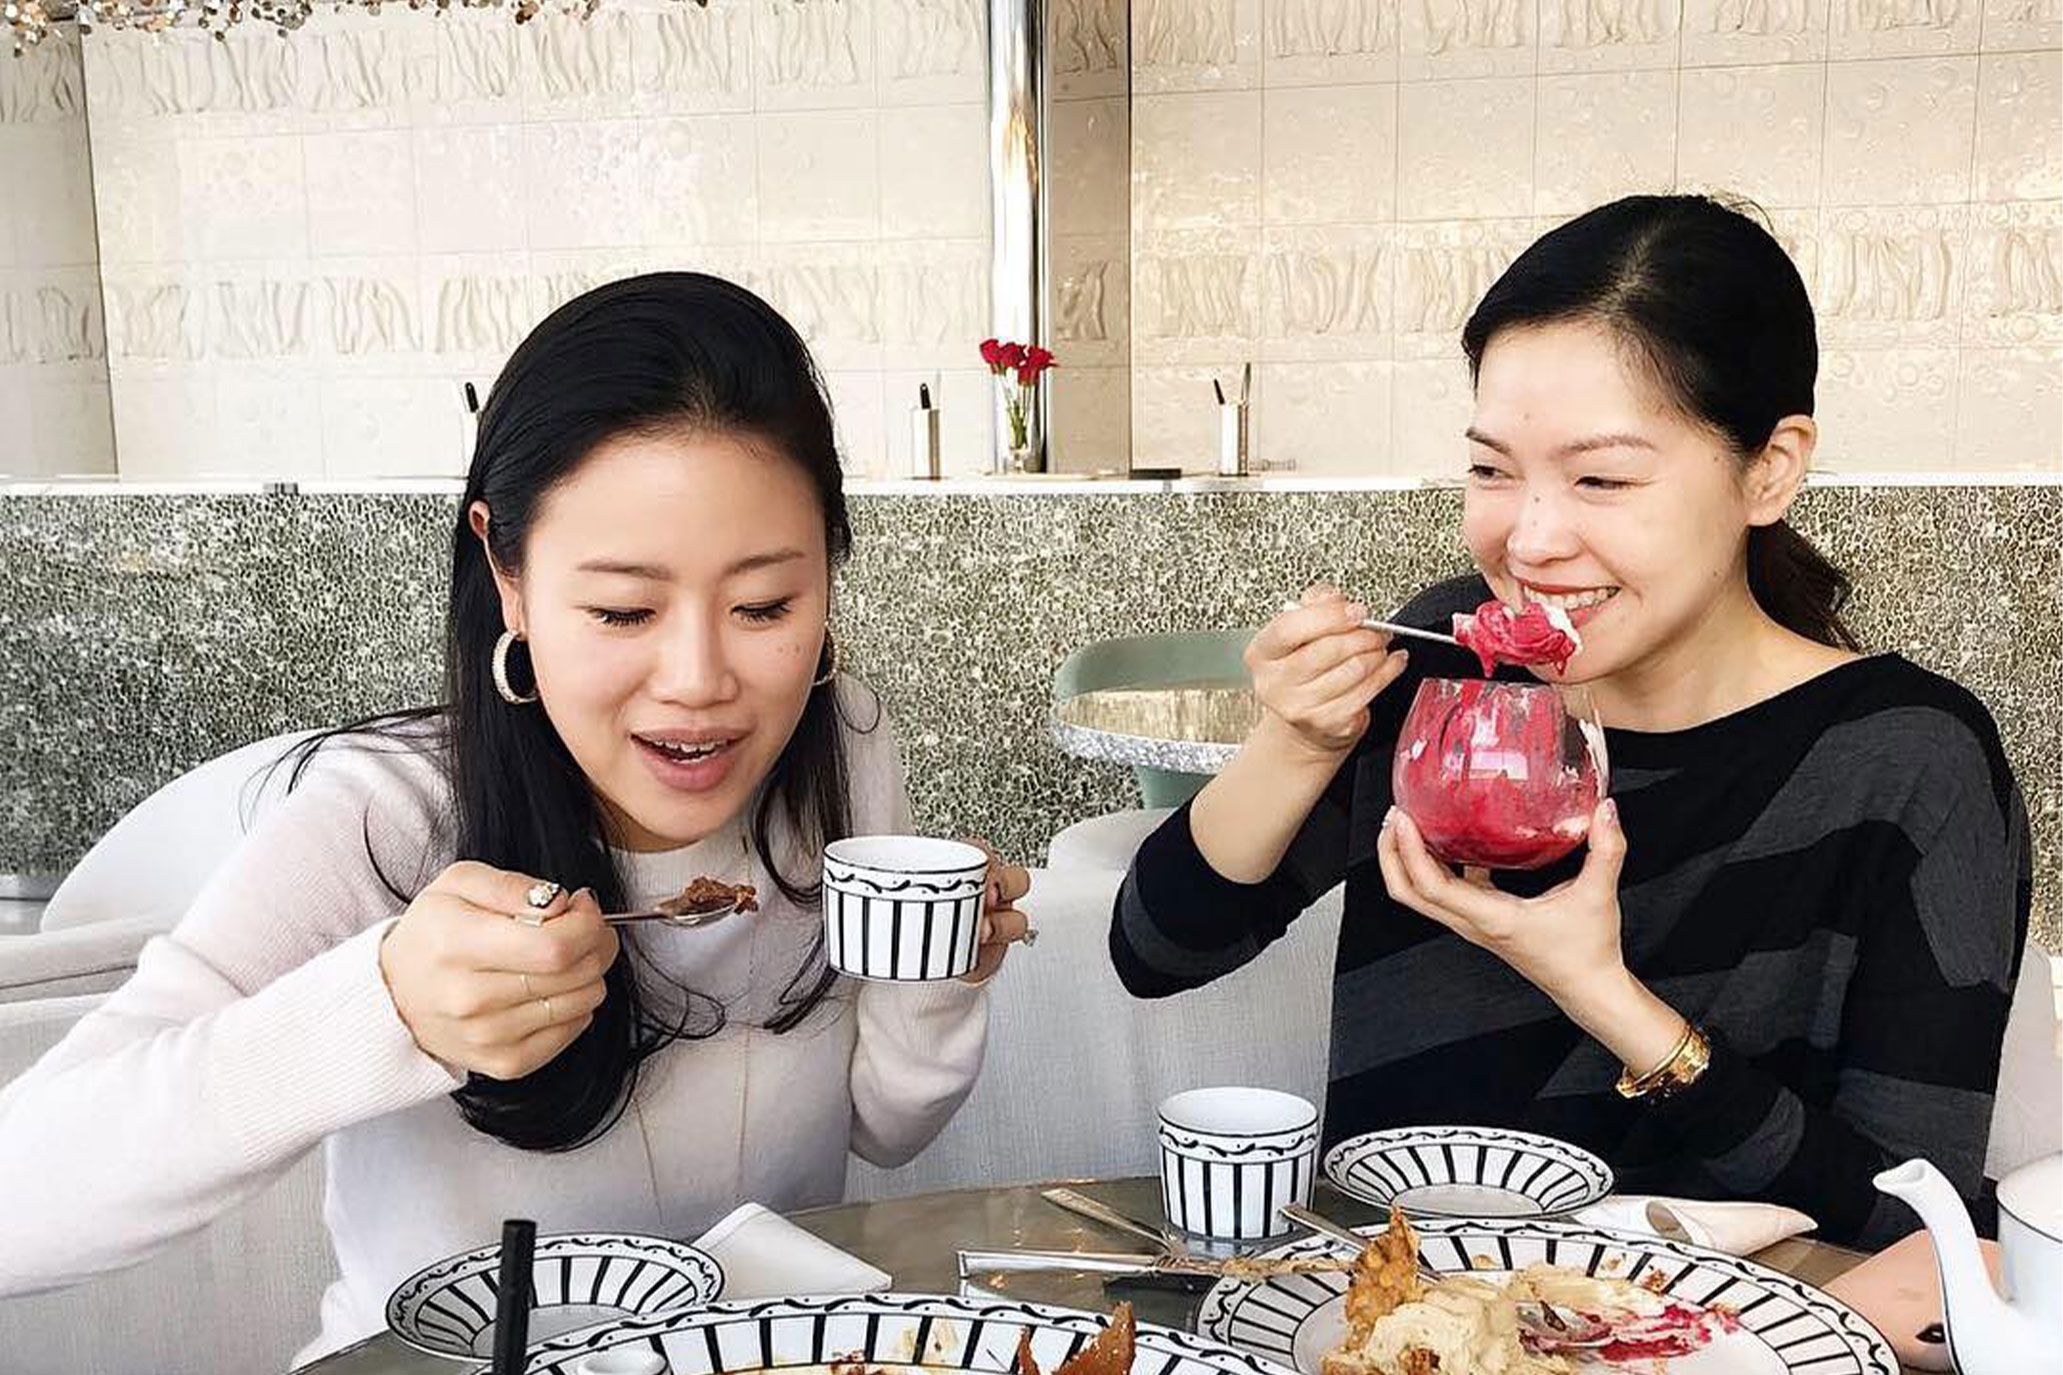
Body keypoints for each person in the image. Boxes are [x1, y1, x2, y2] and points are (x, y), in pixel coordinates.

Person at [0, 273, 1032, 1359]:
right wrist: (385, 1004)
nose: (698, 680)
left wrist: (940, 973)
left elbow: (885, 1128)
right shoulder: (386, 815)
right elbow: (22, 1201)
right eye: (622, 609)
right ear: (508, 571)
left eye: (765, 605)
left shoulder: (841, 747)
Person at [1110, 195, 2030, 1249]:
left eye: (1600, 477)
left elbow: (1911, 1220)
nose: (1531, 539)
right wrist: (1296, 742)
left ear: (1768, 468)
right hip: (1392, 1327)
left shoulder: (1909, 756)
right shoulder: (1447, 671)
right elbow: (1156, 948)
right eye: (1492, 470)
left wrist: (1599, 992)